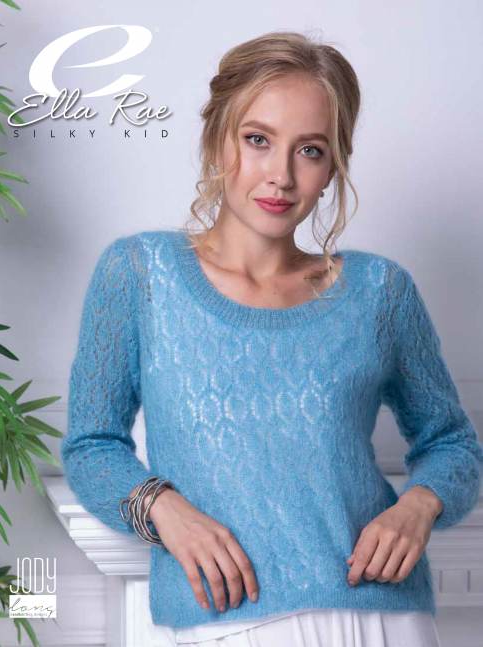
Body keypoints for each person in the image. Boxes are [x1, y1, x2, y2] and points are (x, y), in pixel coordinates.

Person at [61, 31, 483, 646]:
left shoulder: (379, 291)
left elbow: (453, 445)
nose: (281, 176)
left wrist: (418, 506)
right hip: (228, 622)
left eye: (309, 150)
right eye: (257, 139)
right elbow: (91, 447)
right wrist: (164, 509)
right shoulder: (139, 274)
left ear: (332, 167)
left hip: (383, 617)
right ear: (217, 140)